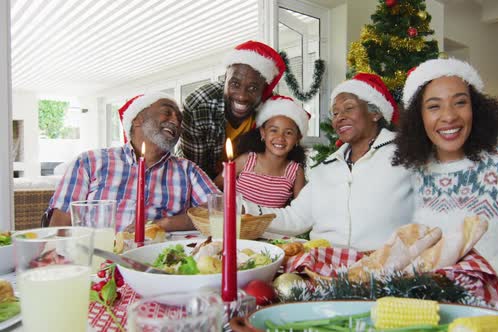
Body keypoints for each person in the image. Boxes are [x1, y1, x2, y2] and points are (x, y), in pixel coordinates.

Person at [242, 73, 498, 252]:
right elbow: (296, 217)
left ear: (375, 112)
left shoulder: (410, 153)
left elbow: (467, 177)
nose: (339, 117)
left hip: (389, 268)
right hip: (323, 265)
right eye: (335, 112)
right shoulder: (325, 168)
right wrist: (244, 211)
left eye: (348, 108)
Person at [392, 58, 498, 277]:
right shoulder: (415, 168)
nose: (449, 116)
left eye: (460, 102)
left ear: (476, 107)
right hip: (436, 300)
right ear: (419, 117)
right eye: (434, 106)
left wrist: (469, 278)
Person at [47, 93, 219, 232]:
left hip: (159, 263)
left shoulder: (187, 170)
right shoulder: (90, 162)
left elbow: (225, 210)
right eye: (167, 112)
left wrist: (162, 224)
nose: (176, 121)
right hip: (98, 260)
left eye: (179, 120)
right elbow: (61, 224)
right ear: (138, 119)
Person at [178, 40, 287, 179]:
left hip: (248, 184)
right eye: (235, 84)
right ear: (225, 79)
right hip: (203, 181)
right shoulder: (199, 106)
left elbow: (279, 164)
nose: (242, 96)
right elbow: (195, 172)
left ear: (264, 90)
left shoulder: (274, 112)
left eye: (253, 88)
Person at [214, 95, 308, 207]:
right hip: (237, 223)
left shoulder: (296, 172)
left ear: (297, 138)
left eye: (288, 133)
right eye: (274, 130)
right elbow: (213, 187)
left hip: (272, 224)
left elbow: (300, 209)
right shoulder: (246, 160)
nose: (280, 138)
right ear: (263, 133)